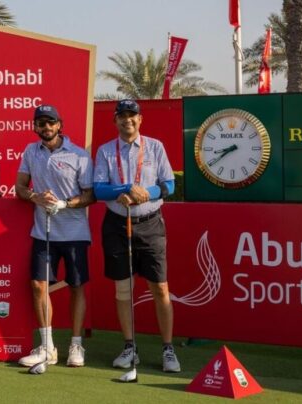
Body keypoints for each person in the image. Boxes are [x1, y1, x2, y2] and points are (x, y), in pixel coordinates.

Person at [93, 99, 180, 373]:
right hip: (117, 225)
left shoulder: (155, 147)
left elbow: (169, 185)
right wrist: (127, 188)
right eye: (122, 116)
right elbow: (98, 189)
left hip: (150, 224)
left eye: (132, 115)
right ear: (115, 120)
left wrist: (146, 193)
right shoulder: (105, 151)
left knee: (160, 287)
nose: (127, 120)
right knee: (123, 289)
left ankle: (168, 349)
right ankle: (130, 347)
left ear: (140, 119)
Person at [15, 104, 94, 368]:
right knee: (38, 285)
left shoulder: (79, 155)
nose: (46, 127)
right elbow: (19, 187)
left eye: (51, 122)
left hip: (74, 232)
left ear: (59, 125)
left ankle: (76, 344)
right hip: (43, 231)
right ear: (35, 127)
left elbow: (90, 195)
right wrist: (34, 196)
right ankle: (47, 347)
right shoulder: (30, 151)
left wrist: (65, 203)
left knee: (76, 286)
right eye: (41, 123)